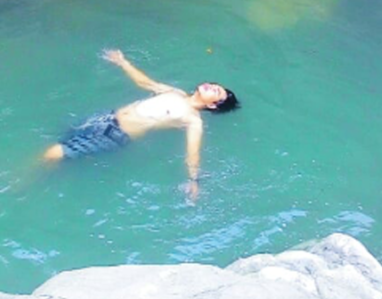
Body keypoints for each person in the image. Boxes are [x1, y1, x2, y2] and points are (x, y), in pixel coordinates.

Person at [43, 49, 239, 200]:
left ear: (212, 105)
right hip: (105, 118)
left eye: (216, 92)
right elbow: (147, 84)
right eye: (215, 85)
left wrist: (193, 180)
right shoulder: (177, 92)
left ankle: (23, 181)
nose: (213, 86)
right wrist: (123, 62)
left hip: (115, 134)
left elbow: (192, 152)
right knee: (59, 140)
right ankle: (50, 174)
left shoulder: (193, 120)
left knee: (52, 153)